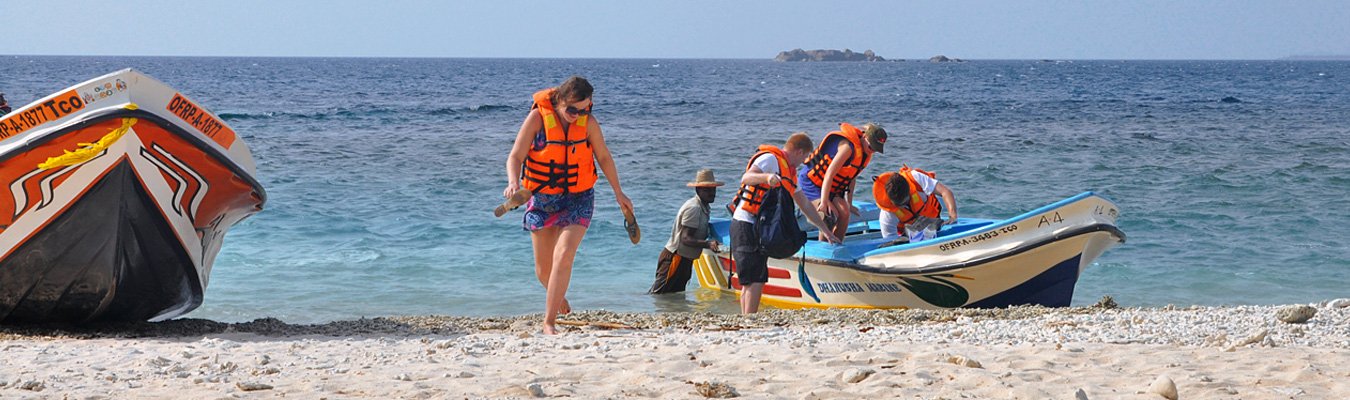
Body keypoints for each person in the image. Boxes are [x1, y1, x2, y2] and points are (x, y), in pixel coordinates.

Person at [503, 76, 633, 335]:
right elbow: (515, 156)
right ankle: (557, 295)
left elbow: (604, 157)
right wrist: (513, 182)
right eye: (572, 109)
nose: (578, 115)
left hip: (579, 198)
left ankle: (549, 322)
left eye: (584, 109)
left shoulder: (588, 124)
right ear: (559, 101)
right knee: (543, 271)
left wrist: (619, 193)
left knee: (563, 255)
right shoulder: (538, 119)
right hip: (542, 199)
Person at [729, 133, 840, 313]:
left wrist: (825, 230)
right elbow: (746, 178)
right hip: (745, 223)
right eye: (804, 157)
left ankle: (747, 319)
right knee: (754, 278)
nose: (804, 162)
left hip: (759, 227)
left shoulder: (789, 172)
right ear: (798, 151)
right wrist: (766, 178)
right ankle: (750, 321)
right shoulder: (770, 159)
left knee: (756, 276)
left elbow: (804, 203)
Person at [797, 123, 887, 242]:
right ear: (865, 138)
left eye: (876, 149)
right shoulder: (847, 148)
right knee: (829, 215)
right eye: (871, 147)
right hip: (811, 182)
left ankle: (837, 244)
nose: (872, 151)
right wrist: (824, 202)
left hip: (830, 186)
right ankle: (823, 248)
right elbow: (829, 174)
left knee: (845, 212)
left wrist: (849, 203)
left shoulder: (864, 154)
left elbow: (851, 178)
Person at [649, 169, 724, 294]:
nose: (712, 193)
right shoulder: (694, 208)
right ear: (698, 190)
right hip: (675, 257)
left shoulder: (703, 206)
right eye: (707, 190)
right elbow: (686, 238)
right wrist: (708, 244)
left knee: (675, 294)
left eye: (713, 189)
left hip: (685, 258)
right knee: (659, 294)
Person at [873, 165, 959, 241]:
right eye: (899, 205)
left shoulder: (916, 178)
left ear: (910, 190)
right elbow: (890, 240)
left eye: (906, 202)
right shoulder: (887, 214)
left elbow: (945, 192)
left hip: (935, 224)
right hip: (910, 239)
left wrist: (953, 216)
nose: (904, 206)